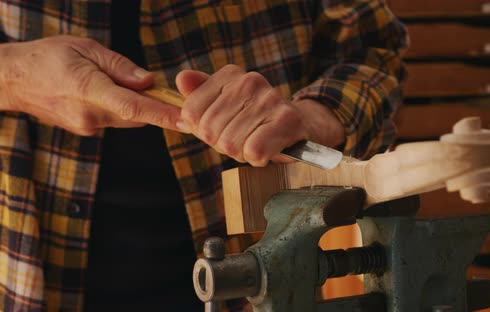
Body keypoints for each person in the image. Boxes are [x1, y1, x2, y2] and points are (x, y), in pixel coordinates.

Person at [0, 0, 407, 311]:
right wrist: (13, 75)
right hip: (23, 269)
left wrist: (312, 119)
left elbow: (373, 49)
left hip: (262, 271)